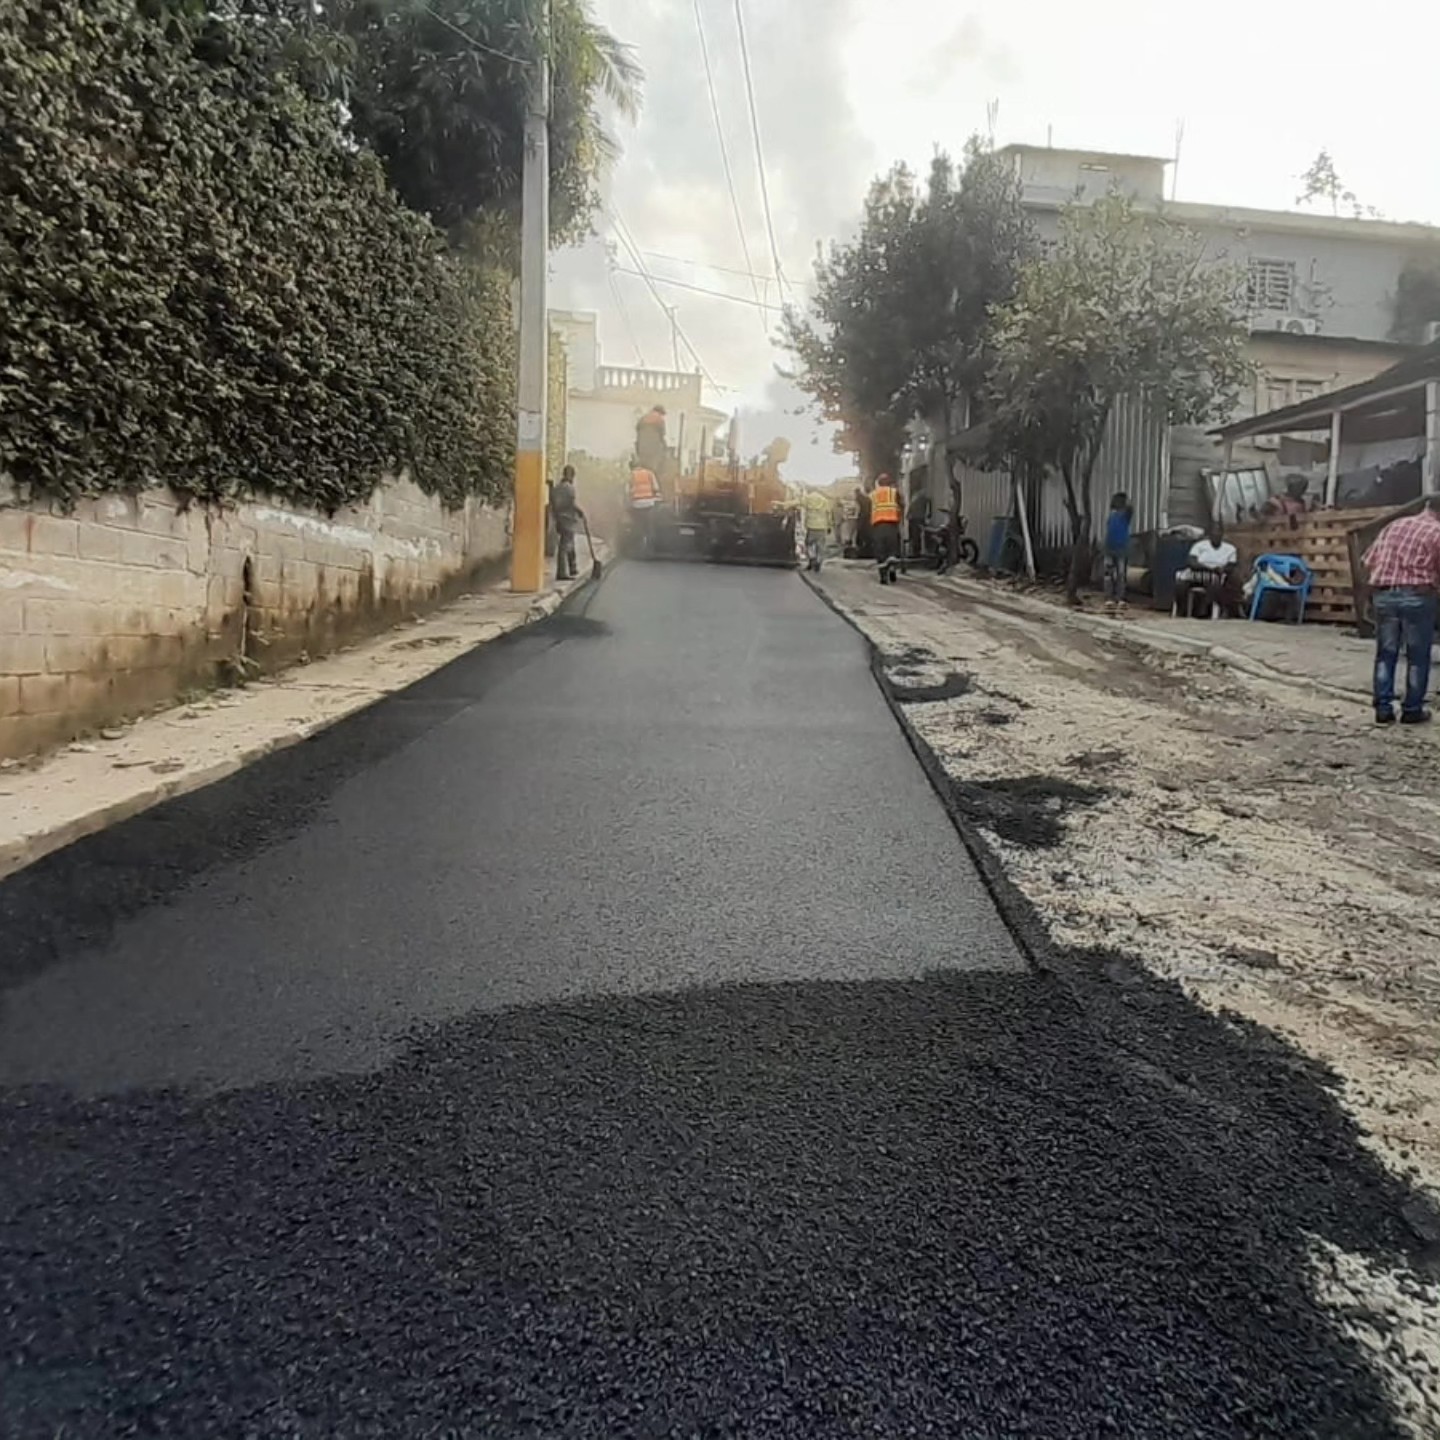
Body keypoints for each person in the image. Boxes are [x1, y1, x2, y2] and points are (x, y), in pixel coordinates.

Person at [1363, 496, 1440, 725]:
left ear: (1426, 506)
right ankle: (1412, 709)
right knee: (1417, 656)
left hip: (1384, 595)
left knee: (1386, 654)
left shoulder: (1394, 525)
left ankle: (1383, 709)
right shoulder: (1437, 532)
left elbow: (1369, 560)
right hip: (1417, 596)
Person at [1174, 525, 1240, 618]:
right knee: (1181, 584)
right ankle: (1182, 611)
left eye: (1218, 534)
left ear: (1222, 535)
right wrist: (1208, 568)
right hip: (1197, 572)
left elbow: (1231, 566)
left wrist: (1222, 569)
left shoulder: (1230, 549)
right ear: (1209, 535)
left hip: (1216, 575)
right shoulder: (1199, 545)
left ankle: (1204, 611)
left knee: (1215, 584)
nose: (1216, 536)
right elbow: (1191, 562)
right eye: (1213, 534)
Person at [550, 464, 584, 582]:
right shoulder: (569, 488)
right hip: (568, 519)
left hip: (559, 519)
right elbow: (571, 503)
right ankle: (562, 572)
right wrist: (580, 512)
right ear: (571, 475)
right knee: (565, 546)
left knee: (570, 544)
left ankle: (573, 568)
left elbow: (553, 505)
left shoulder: (556, 488)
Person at [1103, 491, 1134, 612]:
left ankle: (1119, 598)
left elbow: (1130, 507)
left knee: (1120, 575)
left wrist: (1126, 500)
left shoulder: (1125, 514)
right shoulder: (1113, 515)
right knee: (1110, 575)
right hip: (1111, 548)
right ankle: (1110, 598)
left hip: (1120, 548)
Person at [870, 474, 903, 585]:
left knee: (881, 551)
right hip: (892, 524)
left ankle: (883, 576)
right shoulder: (894, 492)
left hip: (878, 525)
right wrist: (900, 519)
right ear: (890, 483)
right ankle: (892, 569)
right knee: (892, 550)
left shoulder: (873, 495)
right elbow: (902, 505)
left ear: (878, 483)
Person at [627, 460, 661, 555]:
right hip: (649, 504)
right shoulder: (649, 473)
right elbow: (656, 487)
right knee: (649, 527)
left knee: (638, 527)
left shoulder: (631, 475)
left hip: (637, 504)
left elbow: (627, 490)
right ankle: (650, 549)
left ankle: (638, 548)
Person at [802, 488, 833, 573]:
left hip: (811, 525)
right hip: (822, 526)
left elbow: (798, 503)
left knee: (808, 544)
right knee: (821, 546)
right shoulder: (825, 501)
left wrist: (783, 504)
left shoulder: (807, 498)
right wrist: (829, 525)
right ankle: (819, 561)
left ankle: (812, 558)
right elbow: (828, 514)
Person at [906, 487, 932, 561]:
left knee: (915, 536)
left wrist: (908, 515)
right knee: (916, 536)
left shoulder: (917, 498)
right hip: (917, 518)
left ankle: (916, 552)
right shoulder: (922, 498)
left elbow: (910, 508)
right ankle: (916, 551)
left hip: (916, 518)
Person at [854, 486, 873, 560]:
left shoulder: (858, 499)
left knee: (860, 535)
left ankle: (861, 552)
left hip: (863, 519)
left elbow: (859, 510)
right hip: (868, 519)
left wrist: (858, 519)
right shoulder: (867, 498)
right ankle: (868, 552)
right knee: (867, 536)